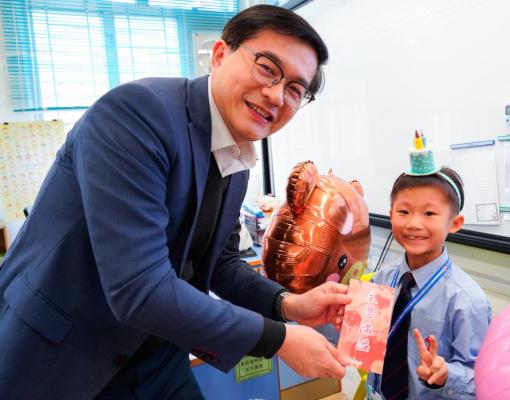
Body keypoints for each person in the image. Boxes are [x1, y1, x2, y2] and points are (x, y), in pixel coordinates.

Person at [0, 5, 351, 399]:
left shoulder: (237, 158)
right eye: (267, 68)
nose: (275, 94)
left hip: (160, 357)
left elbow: (220, 264)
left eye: (295, 89)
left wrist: (288, 304)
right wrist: (279, 340)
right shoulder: (137, 115)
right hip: (64, 356)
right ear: (219, 55)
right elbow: (140, 288)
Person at [366, 167, 492, 399]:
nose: (414, 223)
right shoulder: (382, 278)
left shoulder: (467, 301)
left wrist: (447, 375)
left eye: (429, 213)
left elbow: (482, 379)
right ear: (391, 215)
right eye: (404, 211)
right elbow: (364, 344)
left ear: (455, 223)